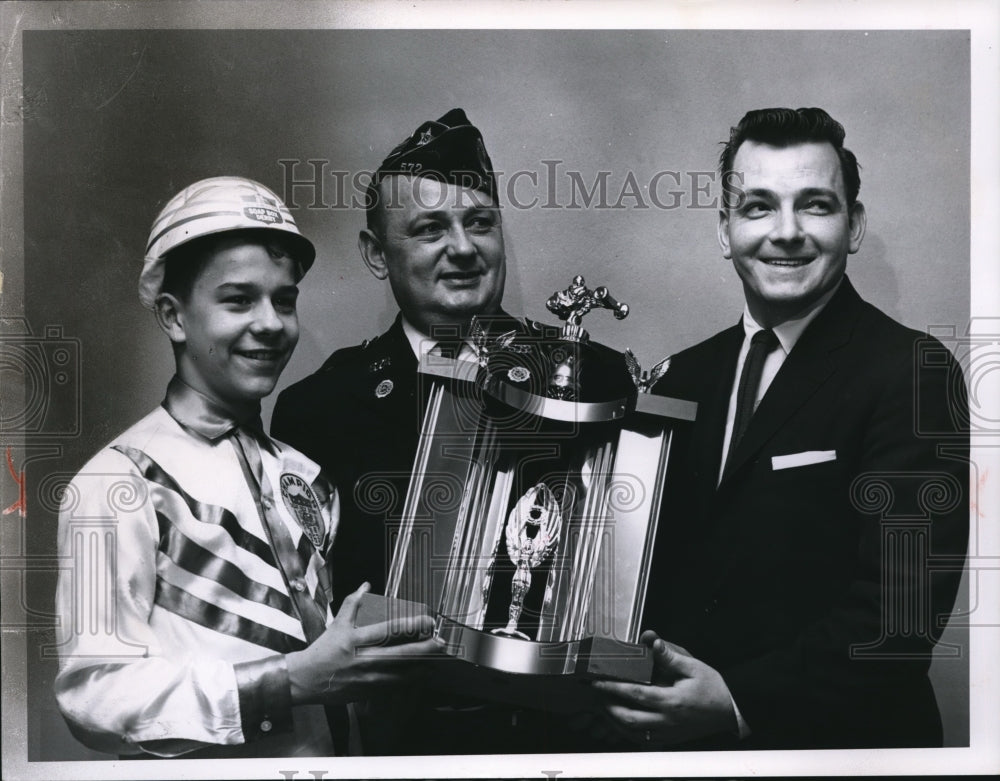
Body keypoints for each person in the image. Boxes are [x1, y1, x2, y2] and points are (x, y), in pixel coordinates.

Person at [593, 107, 969, 750]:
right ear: (724, 229)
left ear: (854, 225)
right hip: (682, 751)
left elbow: (898, 620)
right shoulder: (679, 377)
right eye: (759, 206)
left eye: (816, 206)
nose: (786, 233)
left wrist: (738, 702)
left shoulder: (913, 372)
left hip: (842, 754)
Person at [53, 177, 436, 759]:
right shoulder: (113, 483)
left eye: (284, 300)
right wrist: (286, 683)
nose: (271, 323)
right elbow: (93, 696)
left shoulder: (307, 477)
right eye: (238, 300)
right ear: (173, 316)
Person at [272, 110, 548, 755]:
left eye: (480, 222)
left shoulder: (579, 380)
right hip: (399, 746)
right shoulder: (321, 409)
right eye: (429, 229)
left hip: (560, 739)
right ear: (376, 253)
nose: (462, 248)